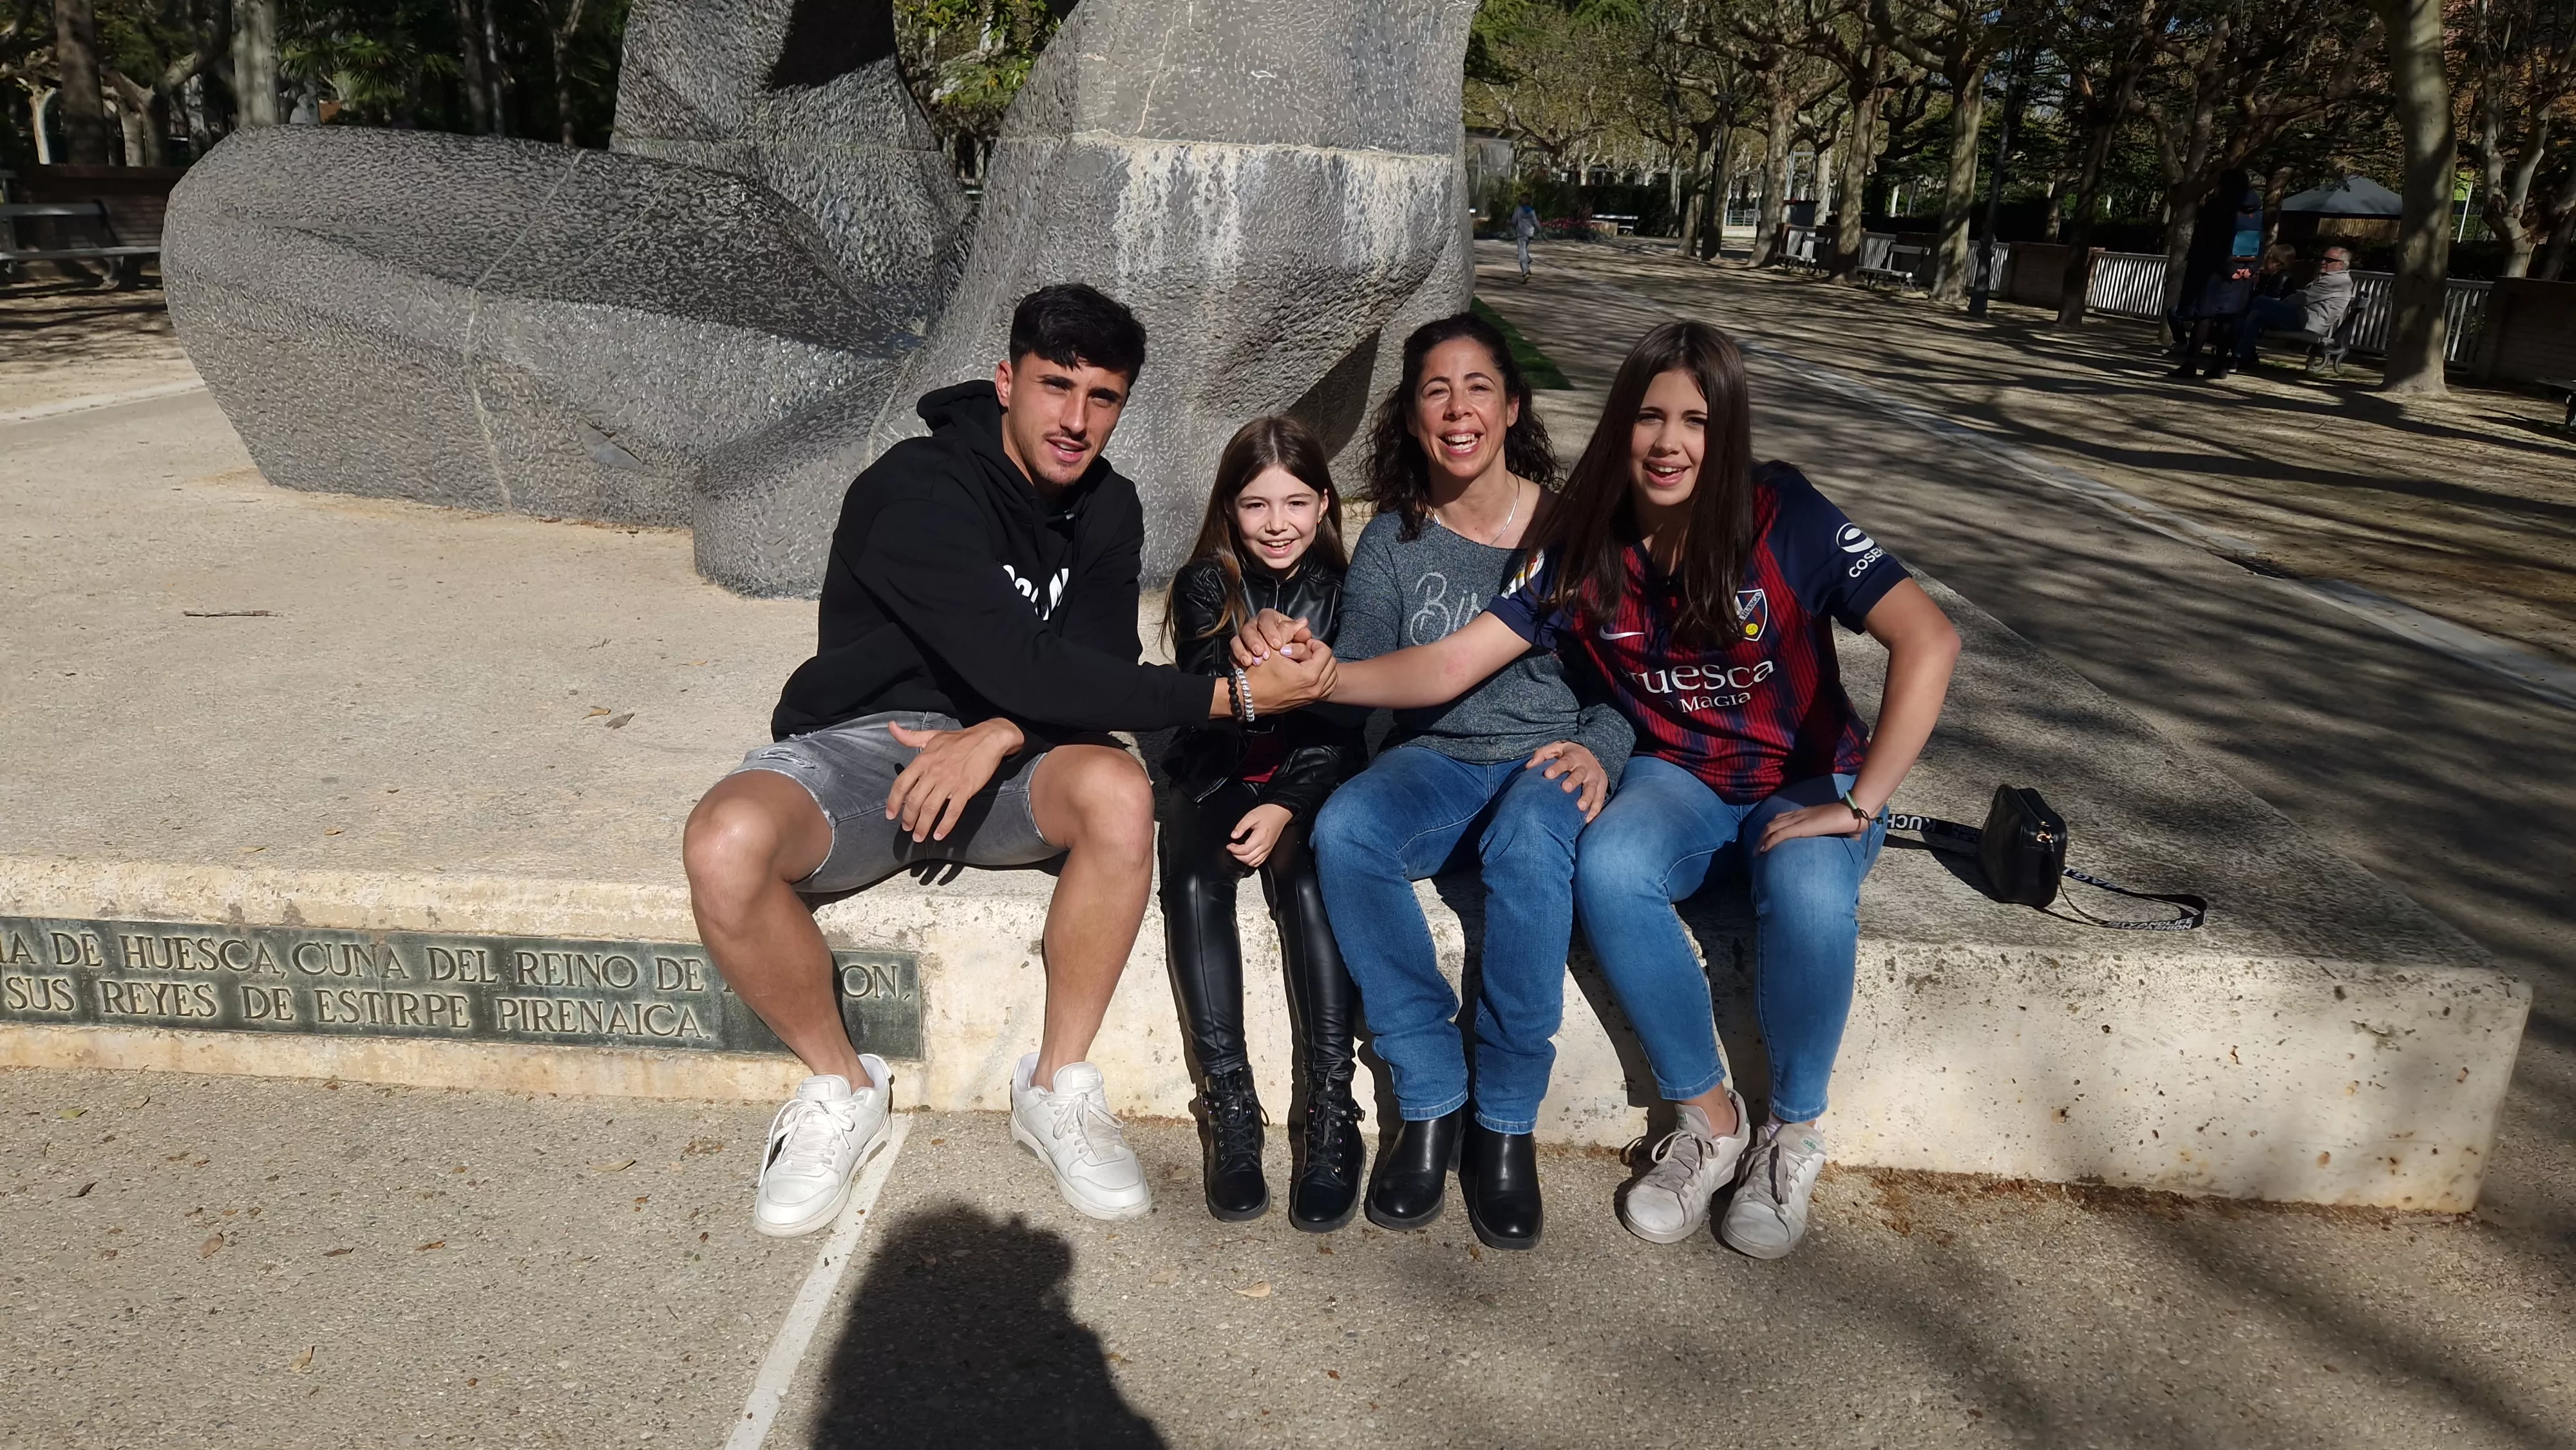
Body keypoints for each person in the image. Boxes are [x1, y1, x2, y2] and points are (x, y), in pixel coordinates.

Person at [1260, 319, 1960, 1259]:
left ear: (1729, 431)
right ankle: (1711, 1123)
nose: (1669, 443)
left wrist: (1862, 801)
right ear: (1619, 426)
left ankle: (1792, 1132)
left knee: (1807, 887)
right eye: (1648, 418)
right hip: (1683, 779)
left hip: (1809, 775)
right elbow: (1448, 666)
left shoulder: (1782, 512)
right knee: (1611, 863)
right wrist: (1323, 679)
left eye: (1696, 422)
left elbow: (1931, 639)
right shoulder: (1589, 543)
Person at [681, 284, 1334, 1237]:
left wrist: (998, 734)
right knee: (724, 840)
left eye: (1102, 397)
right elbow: (1023, 661)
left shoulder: (1110, 507)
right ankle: (841, 1085)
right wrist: (1231, 697)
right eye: (1055, 386)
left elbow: (1094, 671)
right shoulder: (917, 489)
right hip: (871, 745)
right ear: (1006, 381)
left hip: (1016, 753)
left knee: (1117, 792)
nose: (1076, 420)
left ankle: (1056, 1086)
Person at [1248, 312, 1633, 1254]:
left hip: (1549, 755)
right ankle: (1431, 1096)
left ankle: (1505, 1118)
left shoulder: (1573, 529)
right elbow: (1362, 674)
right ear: (1413, 418)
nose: (1458, 410)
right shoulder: (1394, 538)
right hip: (1435, 759)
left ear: (1511, 407)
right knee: (1349, 832)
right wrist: (1294, 656)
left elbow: (1632, 685)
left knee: (1530, 844)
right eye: (1435, 391)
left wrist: (1604, 750)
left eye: (1477, 389)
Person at [1157, 416, 1368, 1230]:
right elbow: (1204, 686)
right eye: (1254, 506)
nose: (1275, 523)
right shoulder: (1207, 583)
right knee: (1191, 883)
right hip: (1215, 773)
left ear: (1323, 503)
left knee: (1312, 885)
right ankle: (1230, 1103)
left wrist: (1288, 803)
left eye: (1293, 502)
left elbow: (1342, 725)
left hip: (1306, 778)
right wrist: (1249, 645)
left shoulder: (1349, 590)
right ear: (1228, 510)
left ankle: (1329, 1108)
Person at [2170, 173, 2266, 381]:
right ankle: (2220, 365)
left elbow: (2211, 242)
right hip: (2243, 272)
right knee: (2228, 319)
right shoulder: (2256, 211)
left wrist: (2227, 267)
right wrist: (2249, 268)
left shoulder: (2219, 208)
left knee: (2204, 316)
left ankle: (2191, 363)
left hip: (2213, 272)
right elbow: (2258, 241)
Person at [2230, 245, 2356, 374]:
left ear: (2340, 265)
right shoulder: (2335, 279)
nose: (2323, 262)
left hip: (2306, 323)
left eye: (2329, 260)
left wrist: (2278, 306)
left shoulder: (2336, 281)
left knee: (2260, 301)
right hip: (2302, 318)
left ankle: (2240, 353)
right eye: (2323, 259)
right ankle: (2243, 358)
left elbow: (2302, 299)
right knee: (2254, 316)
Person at [1513, 202, 1540, 283]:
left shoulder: (1518, 210)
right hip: (1529, 234)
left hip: (1521, 234)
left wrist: (1514, 226)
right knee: (1524, 250)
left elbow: (1514, 221)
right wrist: (1539, 229)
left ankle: (1525, 272)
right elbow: (1535, 222)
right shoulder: (1531, 210)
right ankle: (1528, 260)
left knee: (1522, 253)